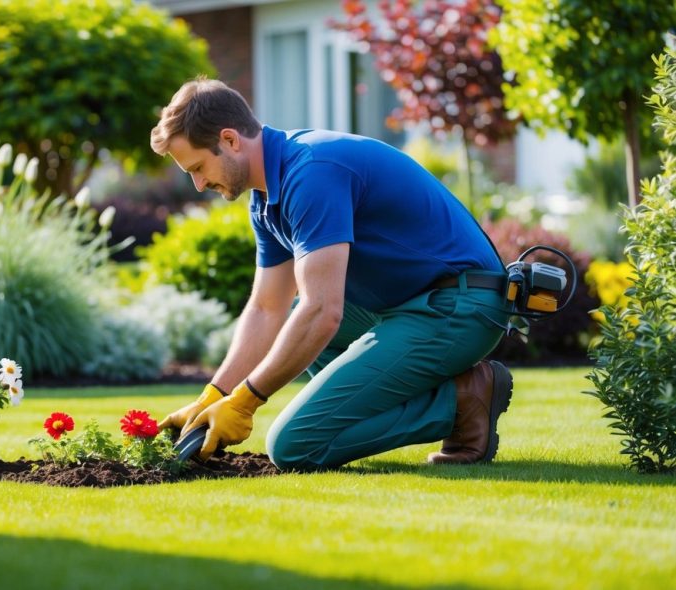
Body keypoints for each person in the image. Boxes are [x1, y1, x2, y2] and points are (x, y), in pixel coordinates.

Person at [152, 78, 514, 469]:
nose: (199, 183)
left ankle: (463, 398)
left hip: (461, 305)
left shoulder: (312, 172)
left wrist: (245, 401)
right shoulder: (266, 199)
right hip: (411, 306)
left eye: (199, 167)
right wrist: (215, 394)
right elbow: (266, 308)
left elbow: (324, 311)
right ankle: (455, 408)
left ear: (230, 140)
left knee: (294, 445)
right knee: (295, 320)